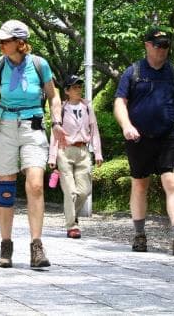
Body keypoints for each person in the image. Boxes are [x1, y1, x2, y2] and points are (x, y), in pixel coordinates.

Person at [0, 19, 65, 269]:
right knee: (6, 187)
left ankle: (36, 245)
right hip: (3, 126)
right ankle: (6, 244)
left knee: (36, 184)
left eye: (5, 40)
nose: (0, 44)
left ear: (20, 43)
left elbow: (54, 96)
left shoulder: (39, 64)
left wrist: (57, 122)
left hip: (32, 125)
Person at [113, 25, 174, 255]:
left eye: (166, 45)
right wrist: (126, 126)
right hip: (139, 137)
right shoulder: (133, 72)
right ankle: (140, 235)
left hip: (168, 136)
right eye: (158, 45)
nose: (162, 49)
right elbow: (119, 103)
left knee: (173, 182)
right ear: (147, 46)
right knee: (140, 184)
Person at [48, 74, 103, 239]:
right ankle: (72, 225)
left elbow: (94, 130)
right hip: (65, 151)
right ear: (67, 91)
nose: (78, 90)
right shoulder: (62, 108)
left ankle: (71, 213)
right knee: (70, 191)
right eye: (74, 87)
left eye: (79, 87)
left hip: (83, 152)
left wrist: (98, 153)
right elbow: (55, 134)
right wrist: (52, 157)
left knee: (85, 191)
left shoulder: (87, 107)